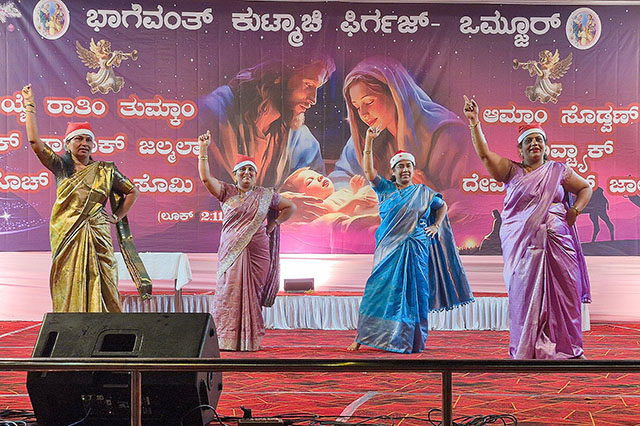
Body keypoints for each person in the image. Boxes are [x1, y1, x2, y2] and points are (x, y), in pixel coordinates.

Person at [463, 95, 593, 359]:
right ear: (520, 150)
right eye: (528, 141)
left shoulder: (559, 171)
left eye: (538, 140)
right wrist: (475, 123)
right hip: (525, 248)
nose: (534, 144)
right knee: (525, 296)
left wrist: (575, 210)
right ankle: (528, 349)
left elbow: (585, 188)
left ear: (546, 147)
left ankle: (568, 349)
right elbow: (485, 155)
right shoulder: (512, 171)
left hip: (560, 244)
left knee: (566, 295)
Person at [22, 84, 150, 312]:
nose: (84, 144)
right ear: (68, 144)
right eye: (78, 139)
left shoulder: (106, 170)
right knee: (69, 277)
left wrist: (117, 216)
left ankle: (107, 324)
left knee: (105, 277)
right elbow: (35, 143)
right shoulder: (61, 166)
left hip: (98, 231)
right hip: (67, 231)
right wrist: (29, 105)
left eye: (88, 140)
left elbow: (133, 191)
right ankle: (70, 323)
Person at [347, 126, 474, 353]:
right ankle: (363, 336)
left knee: (414, 293)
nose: (405, 169)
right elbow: (368, 171)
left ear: (413, 169)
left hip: (416, 248)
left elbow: (442, 205)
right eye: (400, 166)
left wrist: (436, 225)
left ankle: (409, 339)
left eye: (408, 166)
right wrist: (369, 141)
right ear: (393, 171)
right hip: (388, 249)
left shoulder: (423, 193)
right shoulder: (384, 189)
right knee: (377, 292)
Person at [329, 57, 478, 212]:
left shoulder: (448, 135)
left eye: (369, 102)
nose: (363, 114)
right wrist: (355, 196)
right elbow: (340, 177)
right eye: (357, 107)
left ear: (395, 94)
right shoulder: (367, 138)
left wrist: (433, 195)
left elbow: (475, 197)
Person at [198, 130, 296, 351]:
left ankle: (249, 341)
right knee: (228, 292)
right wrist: (203, 150)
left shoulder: (265, 195)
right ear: (235, 175)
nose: (247, 173)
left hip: (258, 254)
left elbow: (290, 206)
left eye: (251, 170)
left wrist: (273, 224)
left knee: (252, 295)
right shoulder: (226, 191)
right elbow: (205, 179)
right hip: (231, 253)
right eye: (242, 170)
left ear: (256, 175)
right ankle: (225, 340)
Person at [198, 55, 335, 189]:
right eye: (309, 85)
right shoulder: (214, 112)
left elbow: (320, 195)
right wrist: (277, 200)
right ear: (280, 75)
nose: (313, 99)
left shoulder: (302, 141)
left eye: (317, 88)